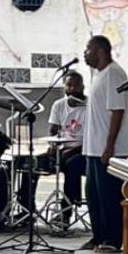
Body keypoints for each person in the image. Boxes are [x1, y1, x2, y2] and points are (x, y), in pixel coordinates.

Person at [82, 34, 128, 253]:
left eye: (88, 49)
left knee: (109, 196)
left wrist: (109, 146)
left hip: (109, 149)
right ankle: (98, 237)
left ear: (100, 51)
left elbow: (117, 110)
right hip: (94, 148)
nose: (85, 54)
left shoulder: (114, 73)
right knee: (93, 194)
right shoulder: (99, 75)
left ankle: (112, 240)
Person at [48, 69, 87, 224]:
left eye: (76, 85)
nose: (72, 88)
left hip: (82, 151)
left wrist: (70, 151)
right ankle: (26, 209)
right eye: (69, 85)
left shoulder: (89, 106)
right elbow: (53, 130)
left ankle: (65, 213)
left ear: (83, 87)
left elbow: (92, 139)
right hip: (62, 150)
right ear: (64, 86)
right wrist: (53, 146)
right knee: (30, 163)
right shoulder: (58, 105)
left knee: (72, 165)